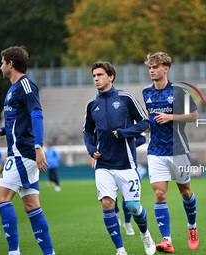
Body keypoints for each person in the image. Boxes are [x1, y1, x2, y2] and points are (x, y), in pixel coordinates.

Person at [83, 61, 155, 255]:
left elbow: (145, 122)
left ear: (111, 76)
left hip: (126, 163)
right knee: (107, 203)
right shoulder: (92, 104)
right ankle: (120, 249)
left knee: (133, 207)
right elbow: (88, 132)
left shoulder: (126, 98)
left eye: (99, 75)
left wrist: (125, 132)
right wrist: (91, 149)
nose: (96, 79)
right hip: (103, 164)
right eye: (94, 76)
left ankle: (145, 233)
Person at [0, 46, 55, 255]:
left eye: (2, 62)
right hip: (22, 152)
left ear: (10, 64)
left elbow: (36, 114)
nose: (0, 67)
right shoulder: (12, 89)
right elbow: (20, 119)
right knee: (31, 205)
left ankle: (13, 252)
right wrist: (2, 130)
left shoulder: (25, 84)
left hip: (23, 154)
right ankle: (49, 253)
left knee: (1, 199)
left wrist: (38, 147)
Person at [142, 52, 199, 253]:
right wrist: (145, 126)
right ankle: (166, 240)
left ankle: (192, 227)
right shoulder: (146, 92)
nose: (151, 70)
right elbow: (149, 119)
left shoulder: (179, 91)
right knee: (159, 194)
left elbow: (194, 116)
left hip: (178, 150)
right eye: (150, 67)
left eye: (155, 67)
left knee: (185, 191)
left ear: (166, 68)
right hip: (156, 151)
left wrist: (170, 117)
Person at [115, 133, 146, 236]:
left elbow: (142, 139)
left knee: (128, 198)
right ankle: (116, 214)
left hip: (127, 163)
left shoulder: (130, 121)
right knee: (110, 196)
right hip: (108, 162)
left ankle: (127, 223)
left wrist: (127, 146)